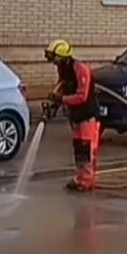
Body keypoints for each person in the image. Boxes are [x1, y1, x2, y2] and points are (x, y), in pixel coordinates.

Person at [42, 39, 100, 192]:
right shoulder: (63, 68)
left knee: (86, 149)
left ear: (63, 56)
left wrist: (62, 99)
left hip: (88, 115)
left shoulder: (81, 70)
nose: (53, 62)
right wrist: (54, 103)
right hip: (75, 115)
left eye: (55, 58)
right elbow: (61, 86)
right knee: (78, 148)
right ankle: (79, 178)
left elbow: (82, 96)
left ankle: (87, 181)